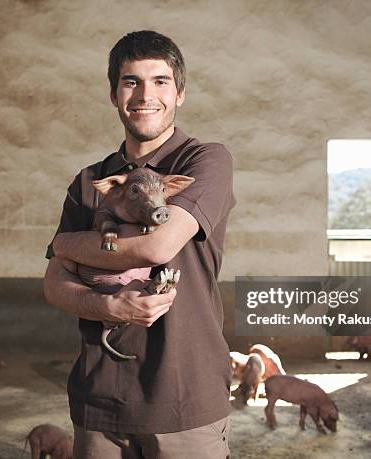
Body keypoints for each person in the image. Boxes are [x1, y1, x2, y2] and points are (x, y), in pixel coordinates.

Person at [44, 30, 235, 458]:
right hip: (99, 402)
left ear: (180, 93)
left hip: (184, 401)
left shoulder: (205, 160)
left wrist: (71, 242)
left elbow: (157, 248)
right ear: (114, 94)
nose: (145, 94)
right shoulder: (91, 181)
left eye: (160, 81)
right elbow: (54, 283)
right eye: (131, 81)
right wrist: (108, 307)